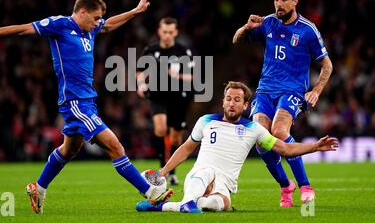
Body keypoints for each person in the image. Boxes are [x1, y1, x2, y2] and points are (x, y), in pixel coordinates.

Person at [0, 0, 173, 214]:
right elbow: (22, 28)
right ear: (82, 12)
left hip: (88, 100)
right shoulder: (59, 25)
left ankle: (38, 188)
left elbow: (108, 25)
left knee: (69, 149)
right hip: (75, 102)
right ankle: (150, 192)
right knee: (114, 146)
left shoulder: (89, 29)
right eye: (96, 18)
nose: (98, 22)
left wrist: (136, 11)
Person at [135, 81, 339, 213]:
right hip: (199, 177)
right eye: (228, 99)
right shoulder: (206, 121)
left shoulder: (254, 129)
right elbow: (186, 149)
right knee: (206, 172)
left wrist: (315, 146)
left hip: (224, 187)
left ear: (245, 106)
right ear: (223, 102)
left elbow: (285, 149)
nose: (232, 103)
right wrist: (163, 171)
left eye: (237, 100)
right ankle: (187, 202)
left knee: (213, 205)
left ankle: (164, 207)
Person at [232, 0, 334, 207]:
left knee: (278, 131)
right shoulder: (268, 23)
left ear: (295, 1)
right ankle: (285, 185)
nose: (279, 4)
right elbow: (236, 40)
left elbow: (327, 65)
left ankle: (305, 186)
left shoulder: (308, 30)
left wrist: (316, 91)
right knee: (260, 140)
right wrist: (247, 27)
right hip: (265, 90)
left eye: (284, 0)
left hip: (293, 91)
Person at [136, 17, 193, 185]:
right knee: (160, 129)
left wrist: (178, 75)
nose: (167, 35)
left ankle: (172, 172)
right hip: (158, 95)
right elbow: (140, 72)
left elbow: (192, 77)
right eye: (164, 31)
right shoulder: (150, 50)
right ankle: (162, 169)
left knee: (176, 138)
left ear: (175, 32)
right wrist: (140, 84)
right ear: (159, 31)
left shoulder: (183, 52)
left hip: (179, 96)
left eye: (170, 32)